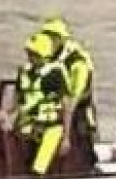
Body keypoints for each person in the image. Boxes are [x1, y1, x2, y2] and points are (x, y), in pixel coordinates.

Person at [39, 15, 98, 168]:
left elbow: (71, 102)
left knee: (78, 159)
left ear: (59, 38)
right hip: (55, 115)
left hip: (78, 120)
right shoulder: (50, 57)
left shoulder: (77, 63)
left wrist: (65, 137)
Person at [13, 32, 71, 176]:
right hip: (30, 125)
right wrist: (9, 116)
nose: (30, 57)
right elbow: (18, 100)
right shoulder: (24, 72)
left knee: (40, 166)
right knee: (19, 157)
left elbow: (66, 105)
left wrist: (66, 137)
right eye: (29, 53)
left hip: (52, 127)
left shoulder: (55, 74)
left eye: (33, 54)